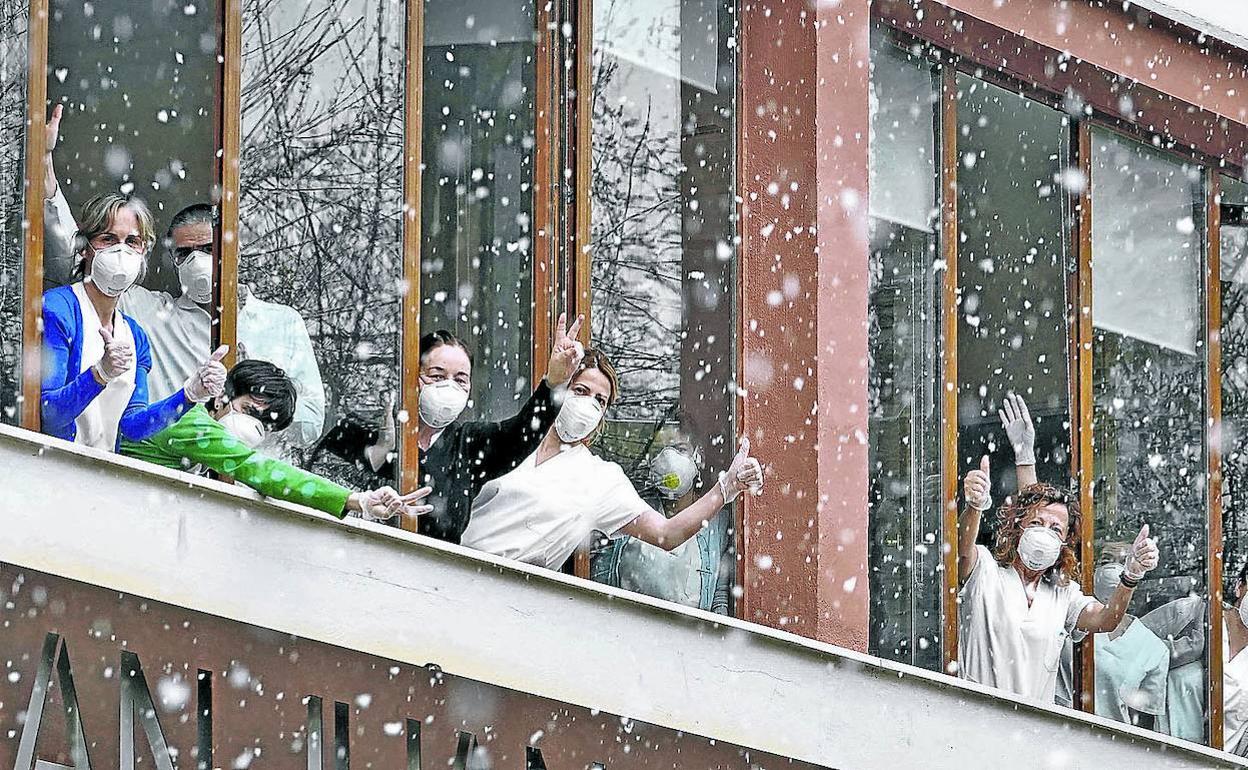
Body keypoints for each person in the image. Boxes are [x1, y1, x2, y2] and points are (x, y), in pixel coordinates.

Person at [42, 105, 326, 454]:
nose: (196, 261)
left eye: (207, 248)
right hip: (178, 482)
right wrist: (45, 168)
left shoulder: (282, 322)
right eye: (184, 253)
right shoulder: (151, 316)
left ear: (230, 252)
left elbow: (312, 420)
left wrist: (252, 398)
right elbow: (82, 250)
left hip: (255, 486)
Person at [461, 349, 763, 571]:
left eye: (599, 400)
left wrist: (726, 489)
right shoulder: (509, 440)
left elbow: (666, 534)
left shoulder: (600, 479)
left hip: (517, 602)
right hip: (454, 575)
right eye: (580, 390)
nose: (588, 404)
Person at [317, 313, 586, 543]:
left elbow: (521, 434)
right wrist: (381, 449)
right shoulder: (360, 429)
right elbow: (325, 484)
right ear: (413, 377)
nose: (449, 386)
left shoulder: (468, 445)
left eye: (460, 379)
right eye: (436, 375)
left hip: (434, 583)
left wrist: (554, 383)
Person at [120, 359, 430, 522]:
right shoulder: (191, 423)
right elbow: (261, 472)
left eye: (263, 425)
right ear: (220, 397)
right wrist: (355, 500)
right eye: (248, 410)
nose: (252, 427)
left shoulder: (205, 436)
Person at [958, 454, 1160, 702]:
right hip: (975, 719)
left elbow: (1106, 619)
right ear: (1017, 526)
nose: (1044, 533)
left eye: (1055, 529)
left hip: (1034, 729)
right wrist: (974, 507)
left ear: (1064, 541)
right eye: (1036, 522)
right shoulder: (986, 570)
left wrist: (1131, 576)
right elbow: (962, 552)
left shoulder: (1063, 594)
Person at [40, 192, 227, 451]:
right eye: (108, 239)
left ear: (143, 252)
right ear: (85, 248)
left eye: (132, 241)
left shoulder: (134, 334)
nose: (121, 250)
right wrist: (99, 374)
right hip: (51, 468)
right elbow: (48, 415)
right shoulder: (59, 308)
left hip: (102, 476)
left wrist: (190, 394)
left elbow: (133, 426)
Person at [590, 418, 735, 613]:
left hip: (688, 639)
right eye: (660, 449)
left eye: (680, 449)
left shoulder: (718, 525)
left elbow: (720, 601)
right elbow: (600, 582)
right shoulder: (630, 511)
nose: (668, 457)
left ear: (698, 457)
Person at [1088, 543, 1169, 727]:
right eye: (1106, 560)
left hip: (1110, 746)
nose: (1112, 569)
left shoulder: (1153, 649)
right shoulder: (1071, 617)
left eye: (1124, 561)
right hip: (1056, 733)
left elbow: (1144, 725)